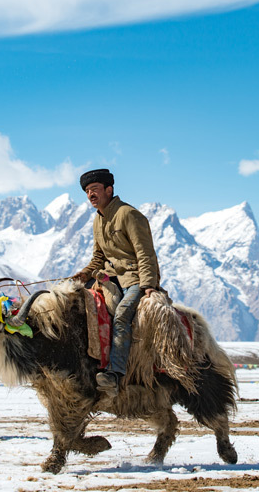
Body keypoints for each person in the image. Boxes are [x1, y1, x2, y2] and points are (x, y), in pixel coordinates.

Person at [72, 168, 161, 397]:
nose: (90, 195)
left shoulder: (129, 214)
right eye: (87, 191)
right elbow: (98, 259)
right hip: (110, 280)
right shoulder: (97, 221)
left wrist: (149, 285)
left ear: (109, 189)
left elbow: (145, 253)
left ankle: (115, 374)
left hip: (135, 280)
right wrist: (84, 274)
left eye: (95, 189)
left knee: (122, 315)